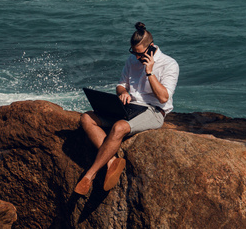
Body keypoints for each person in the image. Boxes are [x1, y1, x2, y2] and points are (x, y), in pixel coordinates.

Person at [74, 22, 180, 195]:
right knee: (87, 118)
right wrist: (123, 92)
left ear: (151, 48)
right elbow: (121, 85)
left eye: (140, 54)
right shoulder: (132, 60)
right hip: (130, 107)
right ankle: (111, 162)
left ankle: (89, 175)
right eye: (134, 53)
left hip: (154, 111)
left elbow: (163, 97)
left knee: (119, 127)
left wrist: (149, 72)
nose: (136, 57)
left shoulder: (170, 64)